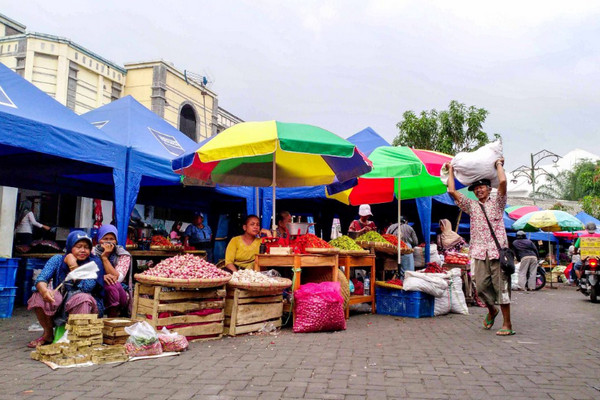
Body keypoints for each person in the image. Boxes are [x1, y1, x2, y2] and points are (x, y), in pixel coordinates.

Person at [446, 157, 515, 336]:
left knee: (501, 287)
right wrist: (451, 169)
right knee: (481, 287)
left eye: (481, 187)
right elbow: (452, 191)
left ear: (488, 188)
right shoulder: (472, 206)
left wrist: (498, 164)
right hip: (478, 252)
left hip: (497, 253)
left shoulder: (498, 203)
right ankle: (492, 310)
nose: (478, 190)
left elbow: (503, 181)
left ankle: (507, 324)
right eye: (475, 189)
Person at [26, 230, 105, 347]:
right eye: (78, 247)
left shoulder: (94, 263)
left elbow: (87, 287)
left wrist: (73, 266)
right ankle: (48, 334)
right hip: (64, 302)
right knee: (38, 295)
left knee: (82, 298)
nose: (83, 250)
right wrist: (44, 291)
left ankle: (79, 338)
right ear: (69, 247)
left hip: (88, 306)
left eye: (86, 247)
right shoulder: (57, 260)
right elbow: (41, 279)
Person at [93, 225, 132, 317]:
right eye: (105, 238)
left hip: (119, 290)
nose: (108, 241)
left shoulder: (123, 254)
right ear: (99, 240)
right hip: (96, 287)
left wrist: (105, 257)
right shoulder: (92, 253)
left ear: (116, 241)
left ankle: (112, 318)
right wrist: (101, 278)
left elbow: (118, 278)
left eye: (112, 239)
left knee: (112, 286)